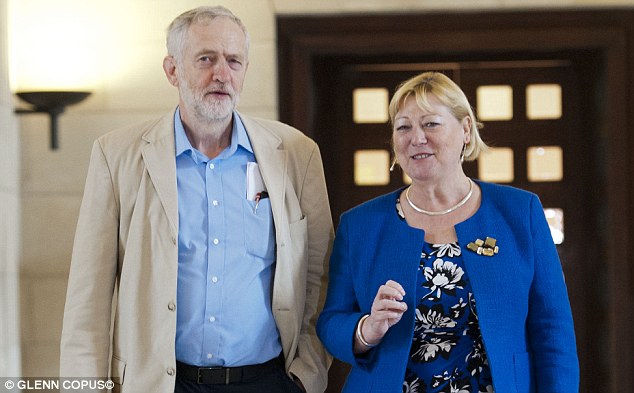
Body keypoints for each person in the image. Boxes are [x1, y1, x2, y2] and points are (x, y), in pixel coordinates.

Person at [60, 6, 333, 393]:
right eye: (206, 59)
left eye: (234, 61)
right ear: (172, 70)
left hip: (268, 381)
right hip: (161, 384)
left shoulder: (295, 153)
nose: (222, 74)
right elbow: (89, 297)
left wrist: (307, 375)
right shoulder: (116, 154)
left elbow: (318, 276)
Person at [316, 71, 579, 392]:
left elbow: (553, 331)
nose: (417, 138)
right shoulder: (360, 224)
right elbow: (331, 322)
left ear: (466, 129)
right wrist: (365, 329)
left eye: (430, 123)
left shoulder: (519, 212)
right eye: (403, 127)